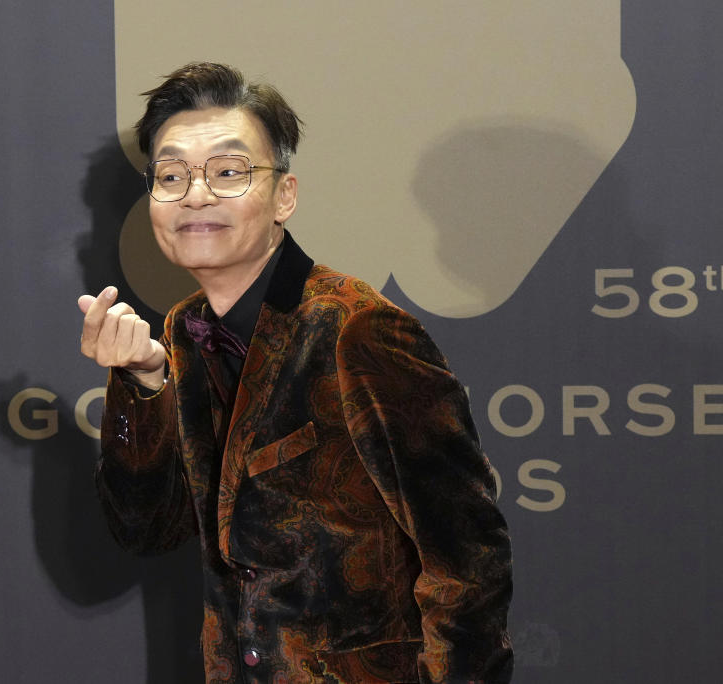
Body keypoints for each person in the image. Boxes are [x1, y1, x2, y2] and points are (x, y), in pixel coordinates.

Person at [79, 62, 513, 683]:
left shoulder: (356, 330)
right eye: (171, 175)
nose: (196, 195)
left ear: (285, 194)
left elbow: (470, 563)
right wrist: (146, 384)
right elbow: (147, 530)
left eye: (229, 173)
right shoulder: (181, 330)